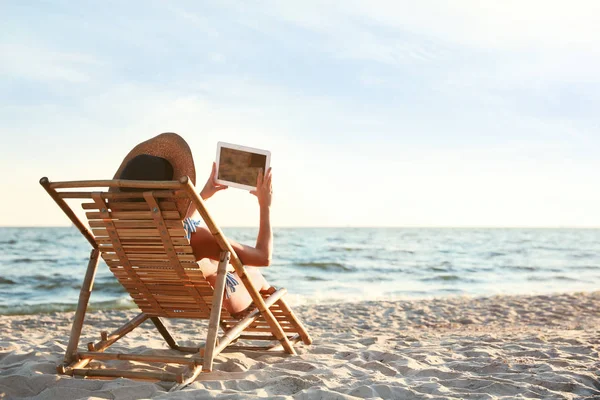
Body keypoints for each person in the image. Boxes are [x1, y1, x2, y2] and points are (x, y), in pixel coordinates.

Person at [113, 132, 273, 318]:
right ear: (173, 193)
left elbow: (180, 223)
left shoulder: (123, 232)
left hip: (164, 300)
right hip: (220, 301)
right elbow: (264, 257)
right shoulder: (193, 237)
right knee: (254, 273)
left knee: (216, 267)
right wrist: (265, 205)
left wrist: (203, 194)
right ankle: (266, 290)